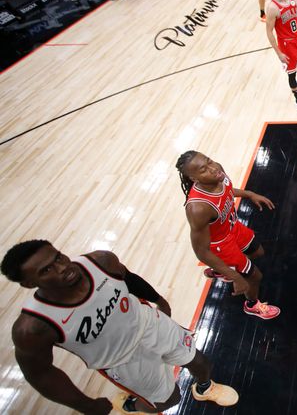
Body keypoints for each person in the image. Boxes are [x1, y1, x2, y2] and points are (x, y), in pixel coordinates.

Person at [1, 240, 238, 414]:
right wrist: (87, 405)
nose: (62, 267)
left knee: (201, 363)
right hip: (122, 361)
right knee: (169, 401)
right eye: (47, 270)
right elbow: (41, 375)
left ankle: (204, 388)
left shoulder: (101, 262)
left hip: (150, 325)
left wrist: (158, 299)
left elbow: (128, 278)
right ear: (28, 283)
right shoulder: (32, 328)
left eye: (58, 258)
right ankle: (130, 404)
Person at [175, 150, 281, 320]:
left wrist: (249, 194)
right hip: (220, 245)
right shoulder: (198, 208)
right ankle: (252, 305)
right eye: (203, 169)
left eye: (209, 160)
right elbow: (201, 252)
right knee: (255, 277)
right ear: (194, 179)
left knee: (258, 252)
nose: (212, 168)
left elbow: (228, 190)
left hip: (232, 228)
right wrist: (235, 277)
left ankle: (221, 270)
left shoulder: (218, 171)